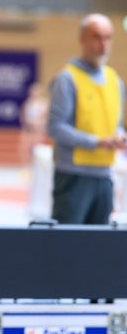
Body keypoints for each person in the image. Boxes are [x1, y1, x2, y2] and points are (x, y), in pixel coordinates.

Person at [47, 13, 127, 225]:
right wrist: (97, 142)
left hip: (104, 176)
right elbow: (55, 127)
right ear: (82, 39)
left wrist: (120, 137)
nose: (103, 44)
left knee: (98, 241)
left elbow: (116, 124)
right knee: (68, 240)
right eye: (96, 37)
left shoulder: (115, 81)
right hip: (73, 176)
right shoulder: (67, 79)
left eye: (108, 38)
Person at [19, 82, 49, 164]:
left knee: (37, 147)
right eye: (33, 91)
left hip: (38, 128)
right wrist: (26, 123)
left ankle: (36, 164)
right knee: (25, 147)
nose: (34, 93)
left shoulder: (43, 103)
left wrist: (39, 124)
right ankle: (25, 164)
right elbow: (22, 114)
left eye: (36, 91)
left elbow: (45, 116)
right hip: (28, 128)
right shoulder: (27, 103)